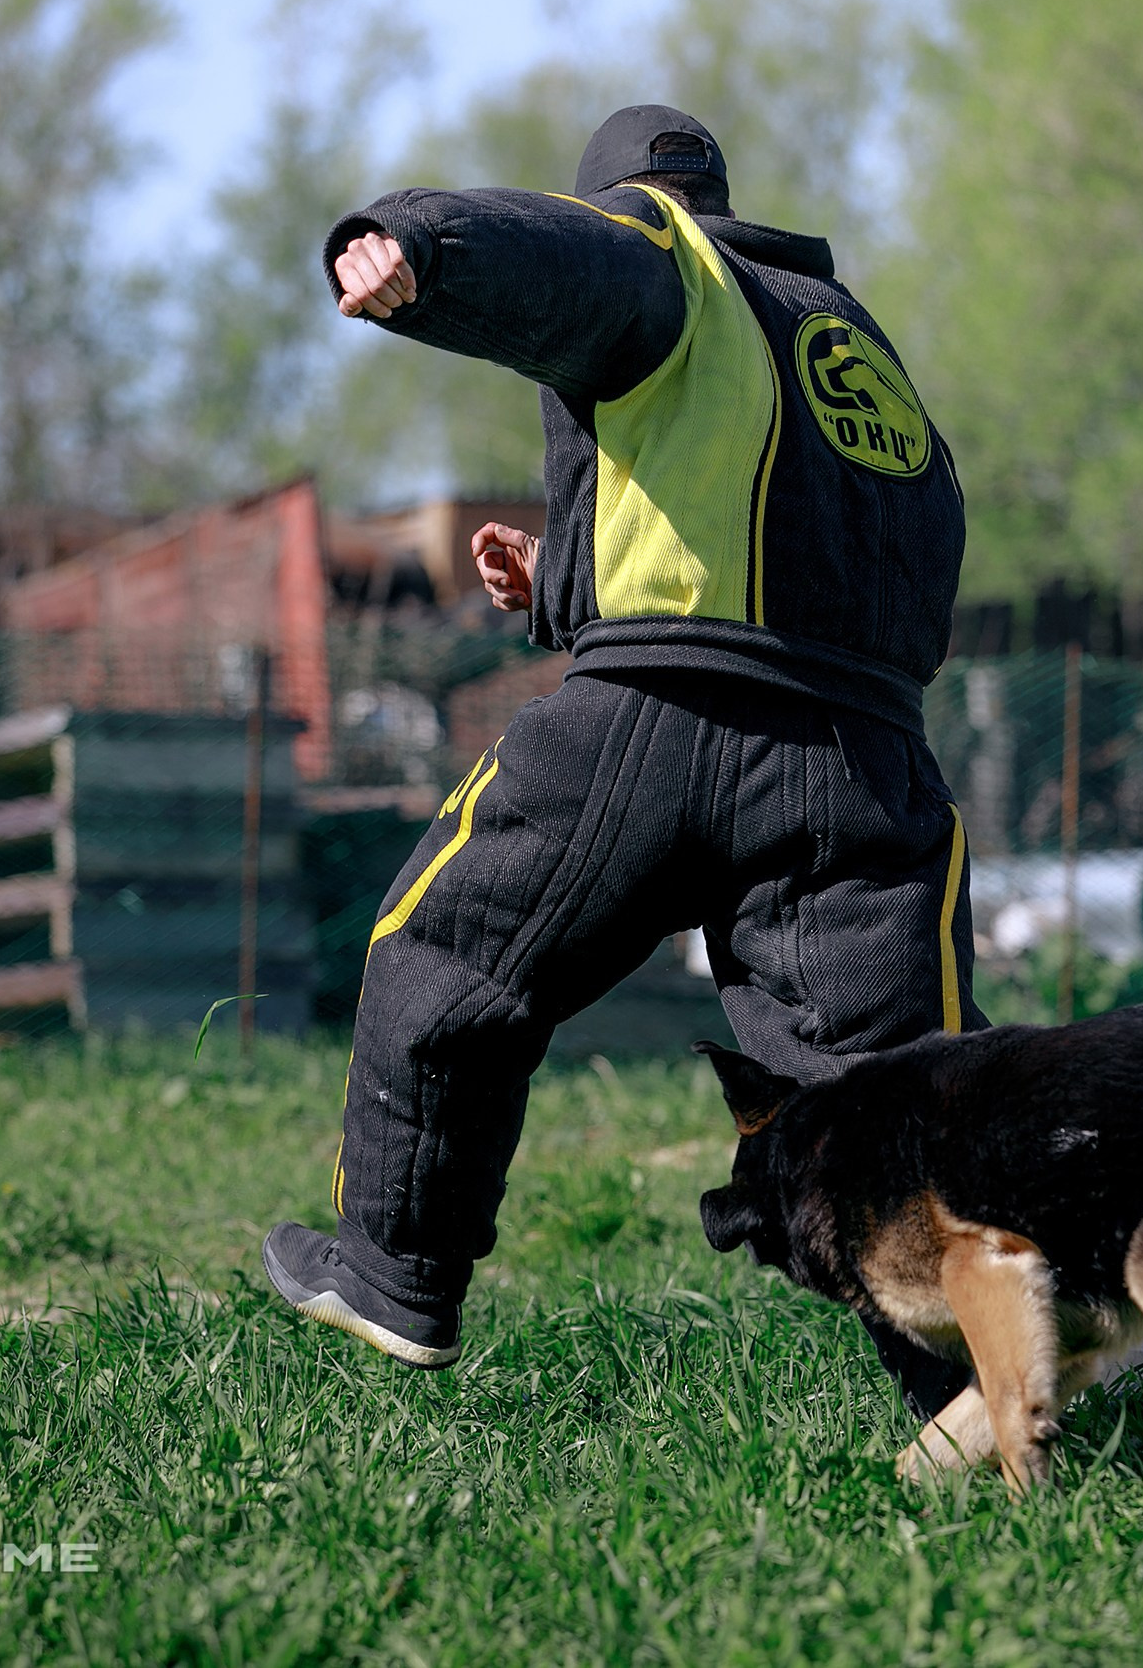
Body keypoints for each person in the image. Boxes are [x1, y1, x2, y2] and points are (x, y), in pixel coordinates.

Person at [263, 105, 985, 1419]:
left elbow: (579, 266)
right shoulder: (841, 336)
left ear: (628, 202)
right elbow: (784, 548)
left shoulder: (662, 257)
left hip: (653, 721)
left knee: (451, 955)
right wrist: (563, 580)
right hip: (863, 766)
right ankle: (977, 1385)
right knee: (894, 1090)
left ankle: (394, 1276)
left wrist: (424, 246)